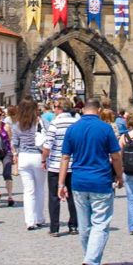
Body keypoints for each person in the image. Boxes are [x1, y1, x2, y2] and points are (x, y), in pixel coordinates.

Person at [58, 98, 123, 265]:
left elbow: (65, 158)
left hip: (78, 182)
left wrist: (61, 184)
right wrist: (119, 175)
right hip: (101, 181)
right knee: (100, 223)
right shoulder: (105, 128)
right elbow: (116, 156)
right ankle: (92, 261)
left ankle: (89, 257)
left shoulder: (73, 129)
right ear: (99, 110)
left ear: (83, 109)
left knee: (85, 225)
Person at [43, 98, 80, 235]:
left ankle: (54, 228)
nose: (54, 110)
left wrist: (43, 159)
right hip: (74, 165)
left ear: (60, 108)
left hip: (55, 165)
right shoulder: (77, 123)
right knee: (73, 197)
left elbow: (48, 145)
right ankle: (74, 226)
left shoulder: (55, 123)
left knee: (54, 197)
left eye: (55, 107)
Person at [11, 99, 47, 230]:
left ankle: (29, 221)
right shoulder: (40, 122)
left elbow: (14, 144)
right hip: (38, 156)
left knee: (28, 191)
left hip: (24, 157)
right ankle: (39, 218)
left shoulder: (17, 125)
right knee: (39, 189)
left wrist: (15, 155)